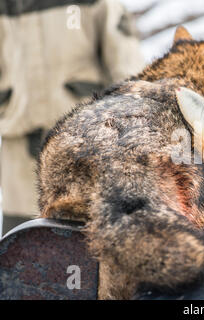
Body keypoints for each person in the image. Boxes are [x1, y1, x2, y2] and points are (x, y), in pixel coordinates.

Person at [0, 0, 145, 228]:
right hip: (18, 156)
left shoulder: (98, 4)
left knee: (85, 245)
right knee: (21, 246)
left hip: (86, 151)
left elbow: (130, 77)